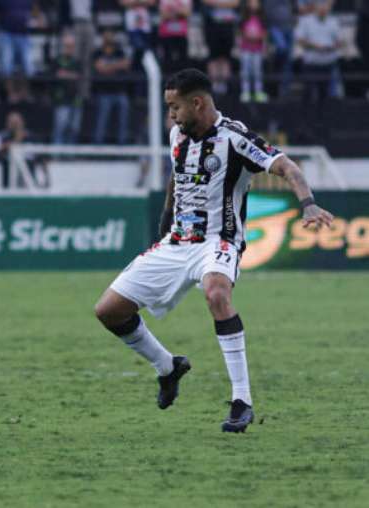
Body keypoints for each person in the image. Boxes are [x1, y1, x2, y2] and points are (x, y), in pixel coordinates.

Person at [93, 69, 333, 433]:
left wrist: (309, 204)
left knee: (217, 293)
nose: (171, 115)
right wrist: (164, 222)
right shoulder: (179, 134)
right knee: (108, 311)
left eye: (174, 107)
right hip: (176, 242)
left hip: (218, 242)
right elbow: (177, 175)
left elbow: (286, 167)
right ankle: (168, 367)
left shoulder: (235, 139)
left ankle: (241, 401)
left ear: (197, 103)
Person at [238, 0, 267, 103]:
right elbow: (241, 33)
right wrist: (249, 37)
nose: (253, 4)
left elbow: (264, 34)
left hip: (257, 50)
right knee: (245, 70)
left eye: (256, 2)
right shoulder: (243, 19)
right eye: (251, 2)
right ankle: (245, 92)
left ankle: (258, 92)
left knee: (257, 71)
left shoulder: (262, 19)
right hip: (245, 49)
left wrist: (257, 37)